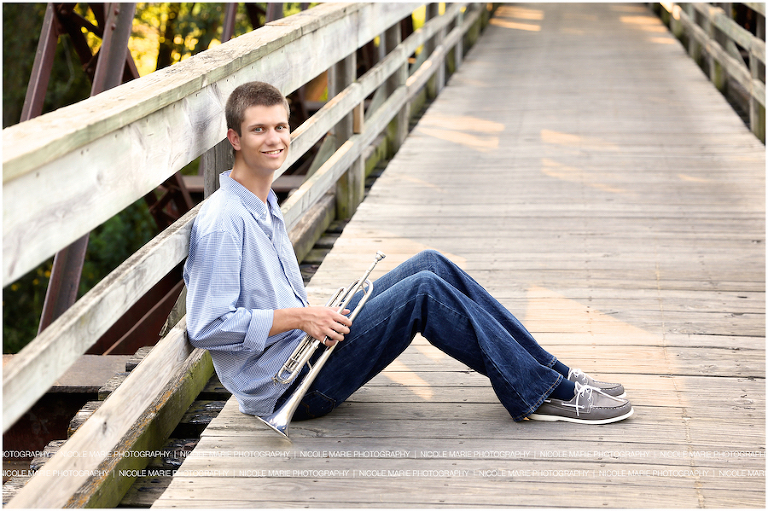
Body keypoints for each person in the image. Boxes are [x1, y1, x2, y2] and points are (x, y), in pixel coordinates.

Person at [183, 81, 634, 426]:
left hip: (307, 351)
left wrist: (313, 316)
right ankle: (542, 393)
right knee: (424, 292)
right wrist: (302, 317)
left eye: (280, 127)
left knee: (430, 263)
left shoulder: (261, 202)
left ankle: (555, 373)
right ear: (235, 139)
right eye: (258, 130)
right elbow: (207, 326)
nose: (274, 139)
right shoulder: (224, 220)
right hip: (291, 388)